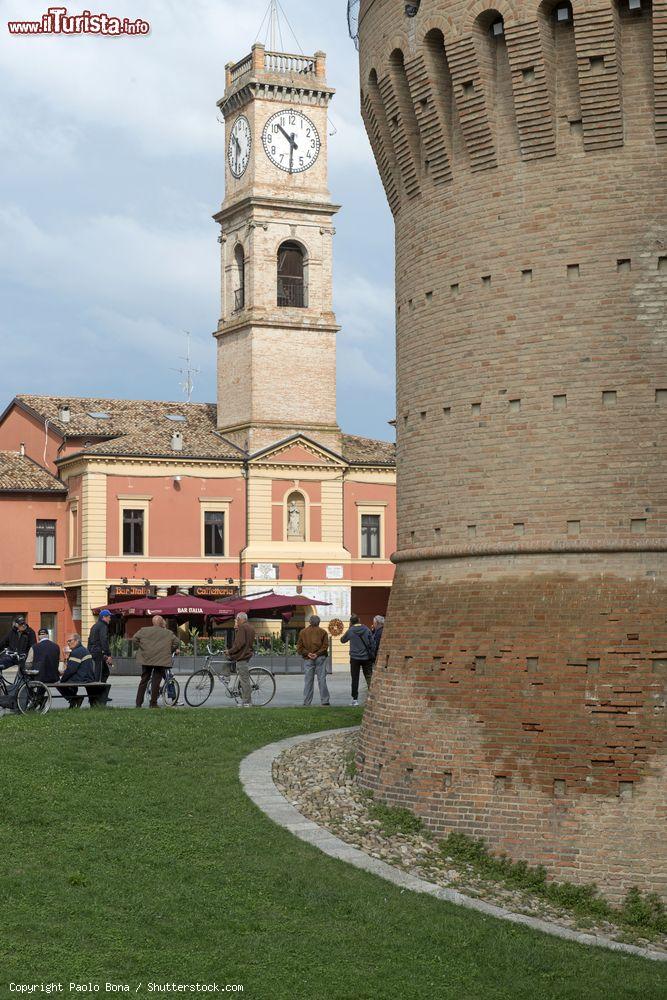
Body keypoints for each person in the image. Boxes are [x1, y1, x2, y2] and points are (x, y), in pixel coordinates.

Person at [133, 615, 179, 708]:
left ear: (152, 622)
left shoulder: (143, 630)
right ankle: (153, 703)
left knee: (144, 680)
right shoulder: (168, 633)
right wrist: (170, 650)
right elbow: (176, 642)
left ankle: (138, 703)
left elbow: (134, 639)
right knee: (156, 682)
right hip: (160, 660)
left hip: (146, 658)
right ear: (162, 622)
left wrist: (143, 648)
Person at [341, 614, 375, 707]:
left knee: (355, 678)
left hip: (355, 658)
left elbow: (342, 640)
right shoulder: (366, 629)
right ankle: (372, 697)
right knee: (369, 676)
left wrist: (349, 628)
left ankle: (355, 699)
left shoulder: (350, 631)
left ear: (351, 622)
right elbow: (372, 642)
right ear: (359, 620)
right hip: (366, 658)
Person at [297, 615, 330, 707]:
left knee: (308, 680)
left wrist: (308, 653)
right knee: (322, 679)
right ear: (319, 622)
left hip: (308, 658)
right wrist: (317, 654)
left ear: (310, 622)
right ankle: (325, 700)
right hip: (320, 658)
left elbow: (299, 648)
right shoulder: (323, 632)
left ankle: (307, 701)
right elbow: (325, 646)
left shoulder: (303, 632)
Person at [58, 632, 95, 708]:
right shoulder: (83, 649)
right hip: (88, 677)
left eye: (70, 641)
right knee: (70, 681)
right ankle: (74, 700)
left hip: (83, 678)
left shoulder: (76, 652)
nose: (68, 643)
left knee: (58, 684)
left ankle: (74, 699)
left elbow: (71, 670)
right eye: (67, 641)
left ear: (77, 640)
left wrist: (62, 679)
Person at [227, 612, 255, 707]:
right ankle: (226, 675)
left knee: (244, 681)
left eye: (237, 620)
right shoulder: (250, 627)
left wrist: (230, 651)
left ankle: (247, 702)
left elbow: (239, 643)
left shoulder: (243, 627)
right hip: (246, 655)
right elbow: (245, 641)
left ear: (240, 619)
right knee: (244, 680)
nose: (236, 621)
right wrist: (236, 629)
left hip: (242, 656)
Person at [88, 609, 113, 706]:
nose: (110, 619)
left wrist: (89, 651)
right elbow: (104, 640)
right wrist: (108, 654)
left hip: (94, 652)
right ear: (104, 617)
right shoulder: (103, 626)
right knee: (99, 675)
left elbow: (90, 640)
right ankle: (98, 697)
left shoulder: (94, 626)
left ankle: (101, 695)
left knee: (104, 673)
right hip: (99, 653)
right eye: (109, 617)